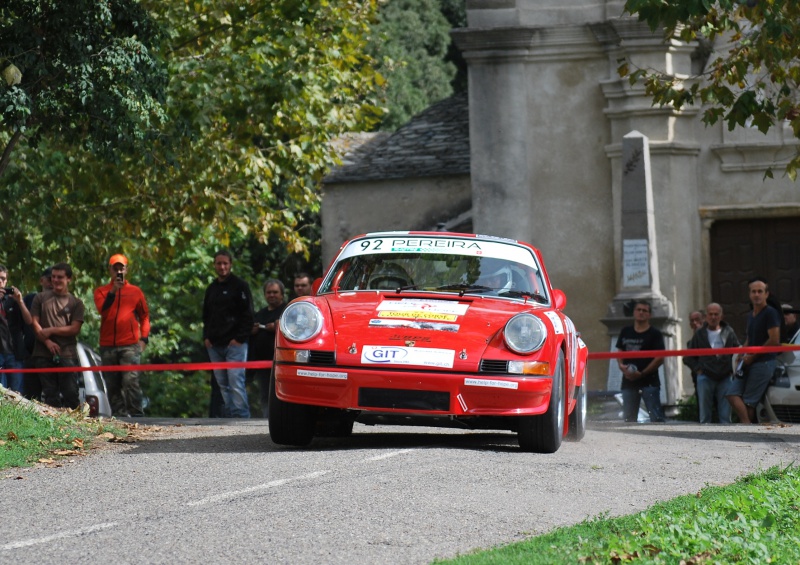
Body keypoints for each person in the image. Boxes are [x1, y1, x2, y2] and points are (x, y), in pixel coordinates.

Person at [93, 254, 151, 417]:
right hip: (107, 346)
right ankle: (119, 417)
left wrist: (144, 339)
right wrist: (113, 290)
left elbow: (145, 316)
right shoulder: (101, 291)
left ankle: (138, 417)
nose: (119, 271)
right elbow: (102, 311)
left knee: (131, 381)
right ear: (110, 270)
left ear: (126, 270)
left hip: (129, 345)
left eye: (121, 267)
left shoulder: (135, 292)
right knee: (112, 384)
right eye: (115, 268)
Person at [203, 249, 254, 418]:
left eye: (225, 263)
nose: (222, 267)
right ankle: (230, 417)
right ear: (214, 265)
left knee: (236, 382)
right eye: (219, 263)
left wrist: (239, 339)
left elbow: (248, 315)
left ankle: (241, 417)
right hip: (215, 345)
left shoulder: (240, 286)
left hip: (235, 345)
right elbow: (206, 315)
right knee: (222, 384)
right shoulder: (211, 288)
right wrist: (206, 338)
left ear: (230, 265)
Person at [30, 262, 85, 409]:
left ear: (69, 279)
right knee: (49, 396)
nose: (55, 280)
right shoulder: (40, 298)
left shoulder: (76, 303)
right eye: (53, 277)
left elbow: (75, 329)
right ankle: (53, 430)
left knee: (71, 394)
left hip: (67, 353)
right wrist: (47, 341)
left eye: (60, 277)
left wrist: (52, 330)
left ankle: (75, 429)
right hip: (42, 353)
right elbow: (34, 324)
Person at [727, 277, 781, 424]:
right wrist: (741, 353)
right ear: (749, 294)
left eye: (760, 291)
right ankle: (748, 426)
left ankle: (747, 430)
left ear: (766, 294)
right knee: (732, 394)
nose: (757, 294)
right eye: (753, 291)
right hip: (749, 362)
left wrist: (752, 356)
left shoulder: (770, 313)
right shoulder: (751, 315)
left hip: (764, 362)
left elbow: (774, 340)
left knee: (749, 402)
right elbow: (750, 339)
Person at [683, 303, 739, 424]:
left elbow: (738, 351)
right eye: (710, 314)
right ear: (706, 316)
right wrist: (698, 369)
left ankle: (726, 439)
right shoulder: (699, 334)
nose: (713, 317)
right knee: (705, 416)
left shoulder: (729, 332)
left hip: (725, 377)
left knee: (725, 416)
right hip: (705, 376)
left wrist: (733, 370)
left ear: (721, 316)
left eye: (716, 314)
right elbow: (688, 357)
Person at [615, 300, 666, 423]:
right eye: (639, 310)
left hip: (649, 382)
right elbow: (619, 350)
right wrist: (622, 367)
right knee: (629, 419)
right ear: (634, 312)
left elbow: (660, 357)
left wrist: (642, 373)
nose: (641, 313)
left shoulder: (655, 334)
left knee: (656, 418)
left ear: (649, 315)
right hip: (629, 382)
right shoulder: (625, 331)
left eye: (645, 310)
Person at [249, 279, 286, 417]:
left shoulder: (287, 312)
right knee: (265, 394)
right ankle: (266, 421)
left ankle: (282, 418)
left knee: (281, 395)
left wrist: (279, 326)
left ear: (282, 294)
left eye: (275, 292)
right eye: (269, 292)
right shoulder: (260, 314)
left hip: (282, 363)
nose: (272, 295)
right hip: (262, 364)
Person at [0, 265, 32, 394]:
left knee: (17, 393)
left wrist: (20, 301)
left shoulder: (13, 300)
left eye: (3, 279)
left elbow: (29, 321)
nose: (0, 282)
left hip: (14, 353)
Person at [22, 267, 52, 400]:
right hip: (30, 353)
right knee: (31, 396)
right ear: (42, 281)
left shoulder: (62, 301)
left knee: (52, 395)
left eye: (57, 278)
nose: (53, 282)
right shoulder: (30, 299)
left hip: (50, 355)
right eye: (50, 279)